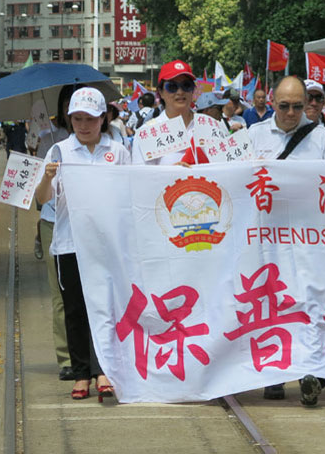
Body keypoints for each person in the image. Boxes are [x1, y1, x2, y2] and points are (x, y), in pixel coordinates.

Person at [34, 87, 131, 402]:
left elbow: (130, 193)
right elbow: (42, 200)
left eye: (90, 118)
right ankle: (80, 373)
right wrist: (47, 178)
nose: (84, 125)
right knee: (75, 310)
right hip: (69, 244)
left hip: (105, 245)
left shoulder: (117, 152)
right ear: (69, 118)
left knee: (105, 308)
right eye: (77, 118)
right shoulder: (59, 152)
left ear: (103, 118)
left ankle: (103, 370)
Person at [248, 75, 325, 405]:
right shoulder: (252, 135)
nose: (290, 113)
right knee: (273, 302)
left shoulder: (324, 138)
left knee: (313, 299)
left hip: (311, 237)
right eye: (284, 106)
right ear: (271, 103)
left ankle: (310, 370)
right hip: (266, 237)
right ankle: (275, 373)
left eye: (298, 106)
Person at [36, 84, 75, 380]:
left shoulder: (108, 140)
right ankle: (66, 359)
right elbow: (40, 195)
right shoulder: (49, 141)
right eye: (68, 105)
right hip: (53, 222)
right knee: (61, 295)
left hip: (90, 225)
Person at [132, 61, 210, 166]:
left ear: (193, 90)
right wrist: (170, 175)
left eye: (186, 85)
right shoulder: (146, 133)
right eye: (172, 86)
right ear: (161, 92)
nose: (180, 92)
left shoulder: (209, 126)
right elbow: (141, 178)